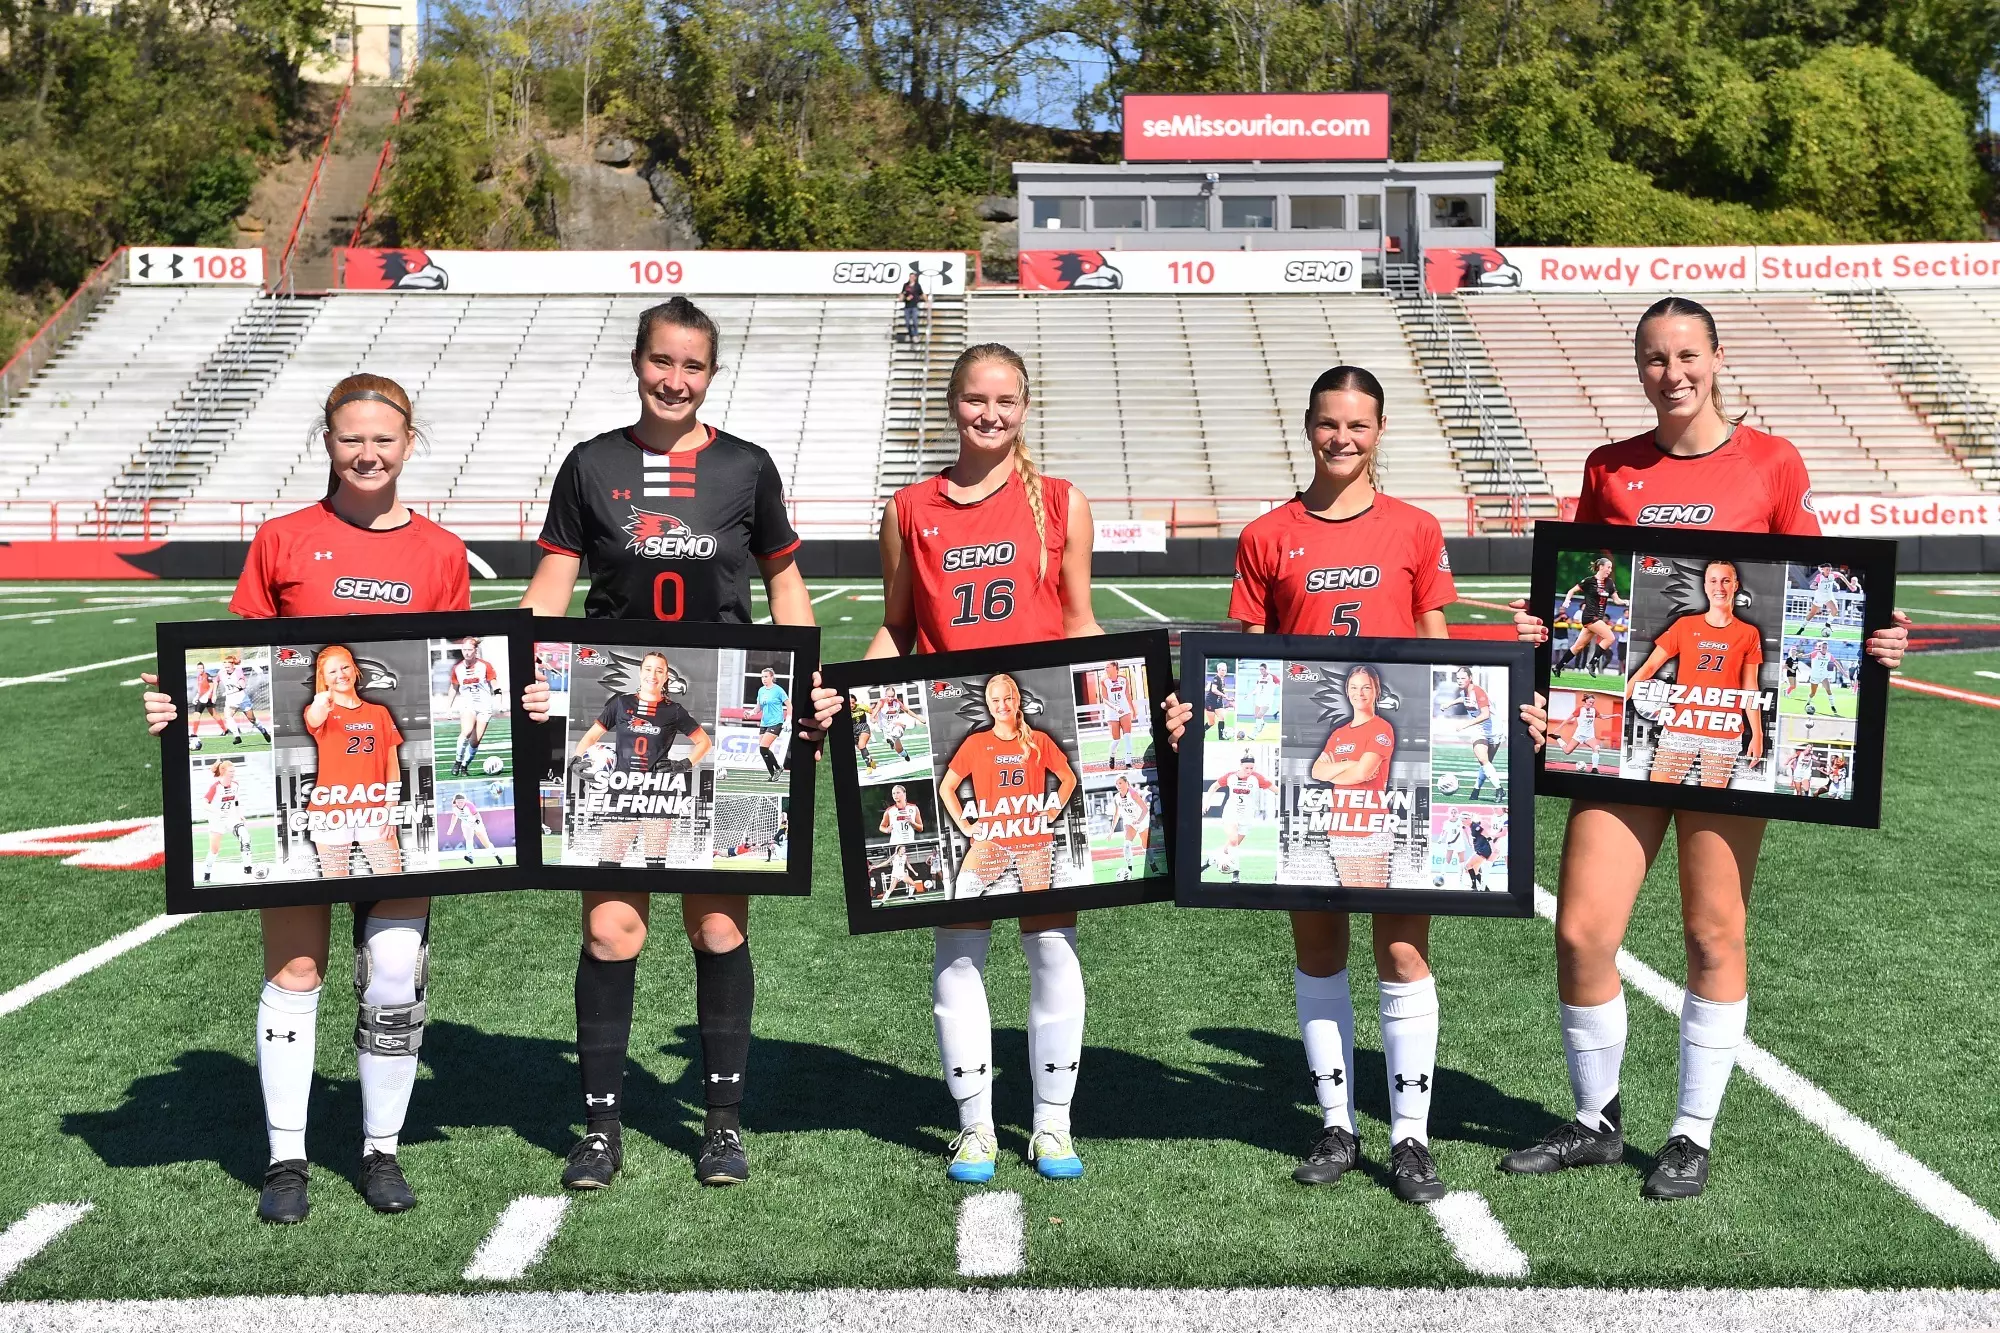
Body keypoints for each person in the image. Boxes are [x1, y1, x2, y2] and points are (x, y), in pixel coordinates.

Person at [1501, 296, 1909, 1200]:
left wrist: (1873, 637)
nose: (1672, 373)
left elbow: (1824, 596)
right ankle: (1597, 1117)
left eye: (1687, 355)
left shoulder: (1772, 461)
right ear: (1639, 368)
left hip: (1728, 736)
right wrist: (1549, 623)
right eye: (1654, 358)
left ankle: (1690, 1132)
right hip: (1627, 743)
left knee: (1711, 928)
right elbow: (1589, 597)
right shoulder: (1610, 466)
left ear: (1718, 358)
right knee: (1579, 930)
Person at [1160, 365, 1547, 1203]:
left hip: (1400, 781)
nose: (1343, 437)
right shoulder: (1267, 534)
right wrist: (1204, 724)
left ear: (1380, 431)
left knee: (1404, 949)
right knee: (1319, 948)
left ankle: (1410, 1136)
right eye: (1330, 422)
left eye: (1359, 424)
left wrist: (1496, 716)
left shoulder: (1414, 528)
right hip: (1311, 782)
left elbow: (1446, 659)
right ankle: (1337, 1121)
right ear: (1308, 427)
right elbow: (1246, 667)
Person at [141, 373, 484, 1224]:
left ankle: (380, 1149)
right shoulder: (282, 540)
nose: (367, 453)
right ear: (326, 442)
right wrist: (183, 708)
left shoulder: (441, 552)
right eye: (349, 438)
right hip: (308, 806)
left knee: (396, 970)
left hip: (394, 805)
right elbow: (238, 672)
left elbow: (455, 682)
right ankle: (286, 1158)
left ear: (410, 443)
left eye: (383, 438)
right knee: (298, 968)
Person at [520, 295, 839, 1193]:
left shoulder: (745, 467)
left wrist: (803, 681)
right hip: (619, 726)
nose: (675, 379)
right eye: (663, 361)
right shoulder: (592, 465)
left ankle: (723, 1122)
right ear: (637, 361)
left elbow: (785, 584)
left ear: (710, 374)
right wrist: (525, 678)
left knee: (718, 922)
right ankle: (600, 1128)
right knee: (614, 929)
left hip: (725, 728)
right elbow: (549, 591)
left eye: (692, 366)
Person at [863, 342, 1103, 1185]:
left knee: (1051, 944)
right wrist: (857, 702)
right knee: (959, 947)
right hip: (949, 747)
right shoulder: (910, 507)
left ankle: (1052, 1123)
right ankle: (973, 1124)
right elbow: (897, 626)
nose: (988, 414)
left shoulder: (1062, 503)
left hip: (1036, 758)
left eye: (1004, 400)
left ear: (1025, 407)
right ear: (953, 405)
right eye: (974, 399)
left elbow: (1079, 621)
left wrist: (1136, 705)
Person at [938, 673, 1080, 901]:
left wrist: (1053, 811)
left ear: (1017, 701)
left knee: (1037, 908)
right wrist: (965, 826)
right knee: (965, 890)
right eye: (996, 700)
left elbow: (1069, 779)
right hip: (993, 836)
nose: (1002, 705)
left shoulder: (1038, 740)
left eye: (1008, 698)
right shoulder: (975, 743)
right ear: (988, 704)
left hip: (1032, 837)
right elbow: (946, 788)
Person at [1624, 561, 1765, 788]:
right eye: (1713, 581)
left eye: (1726, 580)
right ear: (1705, 586)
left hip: (1723, 729)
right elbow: (1649, 668)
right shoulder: (1685, 625)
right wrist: (1623, 699)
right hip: (1682, 724)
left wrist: (1757, 734)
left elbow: (1750, 687)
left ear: (1736, 585)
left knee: (1708, 809)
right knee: (1654, 798)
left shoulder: (1749, 633)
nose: (1719, 587)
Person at [571, 651, 712, 866]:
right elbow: (592, 735)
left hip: (658, 793)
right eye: (648, 669)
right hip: (622, 790)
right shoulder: (621, 703)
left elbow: (704, 742)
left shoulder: (674, 710)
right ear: (640, 672)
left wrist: (684, 764)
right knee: (608, 863)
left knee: (655, 865)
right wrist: (576, 759)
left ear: (666, 677)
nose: (653, 675)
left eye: (659, 670)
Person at [303, 644, 408, 876]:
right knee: (335, 887)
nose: (341, 675)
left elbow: (392, 762)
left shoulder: (379, 713)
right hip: (331, 810)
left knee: (392, 881)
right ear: (324, 679)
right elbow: (314, 718)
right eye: (332, 672)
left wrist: (390, 806)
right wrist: (321, 703)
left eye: (345, 667)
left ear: (355, 669)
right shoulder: (321, 709)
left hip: (374, 808)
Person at [1556, 557, 1627, 678]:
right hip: (1589, 617)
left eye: (1611, 568)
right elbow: (1571, 590)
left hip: (1597, 618)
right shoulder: (1589, 581)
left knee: (1578, 646)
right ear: (1601, 567)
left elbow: (1617, 600)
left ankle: (1557, 667)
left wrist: (1626, 602)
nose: (1610, 570)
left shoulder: (1609, 583)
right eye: (1608, 567)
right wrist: (1567, 600)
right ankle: (1592, 663)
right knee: (1610, 638)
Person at [444, 638, 500, 777]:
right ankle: (457, 762)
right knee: (467, 731)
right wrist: (448, 707)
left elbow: (494, 684)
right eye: (464, 650)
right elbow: (453, 687)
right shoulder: (457, 668)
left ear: (475, 651)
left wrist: (499, 701)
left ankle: (464, 766)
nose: (467, 653)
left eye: (470, 650)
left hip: (485, 706)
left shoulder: (485, 666)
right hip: (468, 704)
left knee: (475, 741)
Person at [199, 759, 255, 881]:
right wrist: (217, 811)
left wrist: (239, 814)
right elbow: (204, 804)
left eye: (234, 771)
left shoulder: (235, 785)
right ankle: (206, 873)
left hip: (230, 817)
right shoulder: (215, 787)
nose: (233, 773)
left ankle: (248, 870)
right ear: (223, 772)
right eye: (230, 771)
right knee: (214, 850)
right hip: (217, 821)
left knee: (245, 836)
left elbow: (236, 800)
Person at [219, 651, 271, 745]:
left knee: (252, 719)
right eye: (225, 667)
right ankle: (237, 737)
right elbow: (215, 681)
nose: (226, 669)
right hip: (231, 701)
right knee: (227, 716)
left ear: (233, 665)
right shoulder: (222, 673)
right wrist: (214, 693)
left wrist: (230, 691)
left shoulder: (238, 672)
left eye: (228, 667)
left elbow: (242, 686)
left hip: (242, 700)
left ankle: (263, 731)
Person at [446, 791, 504, 866]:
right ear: (455, 801)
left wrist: (476, 823)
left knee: (486, 843)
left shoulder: (469, 805)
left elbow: (477, 816)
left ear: (465, 801)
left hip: (476, 823)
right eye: (458, 802)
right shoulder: (454, 807)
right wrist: (451, 828)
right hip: (466, 824)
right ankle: (470, 856)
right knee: (469, 839)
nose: (460, 804)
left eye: (462, 802)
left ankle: (496, 855)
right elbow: (454, 816)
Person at [1110, 773, 1150, 881]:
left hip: (1141, 821)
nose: (1118, 785)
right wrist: (1111, 831)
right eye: (1116, 784)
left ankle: (1154, 867)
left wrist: (1139, 820)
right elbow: (1117, 814)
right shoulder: (1117, 797)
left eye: (1120, 783)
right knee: (1127, 846)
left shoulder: (1133, 794)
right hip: (1129, 822)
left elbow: (1145, 809)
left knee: (1145, 847)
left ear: (1126, 783)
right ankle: (1129, 871)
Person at [753, 666, 790, 780]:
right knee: (762, 749)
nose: (763, 679)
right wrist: (750, 713)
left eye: (766, 677)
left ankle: (778, 768)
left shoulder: (778, 690)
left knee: (764, 747)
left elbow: (789, 705)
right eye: (762, 677)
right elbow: (758, 707)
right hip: (764, 722)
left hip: (776, 722)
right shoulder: (761, 690)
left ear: (771, 677)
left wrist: (788, 720)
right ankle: (773, 773)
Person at [900, 271, 924, 344]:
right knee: (907, 323)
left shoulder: (917, 286)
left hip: (914, 306)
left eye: (913, 277)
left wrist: (927, 302)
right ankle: (912, 335)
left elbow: (922, 294)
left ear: (915, 278)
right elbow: (902, 293)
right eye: (911, 277)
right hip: (907, 306)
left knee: (915, 322)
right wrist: (902, 298)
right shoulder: (906, 285)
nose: (912, 278)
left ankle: (916, 335)